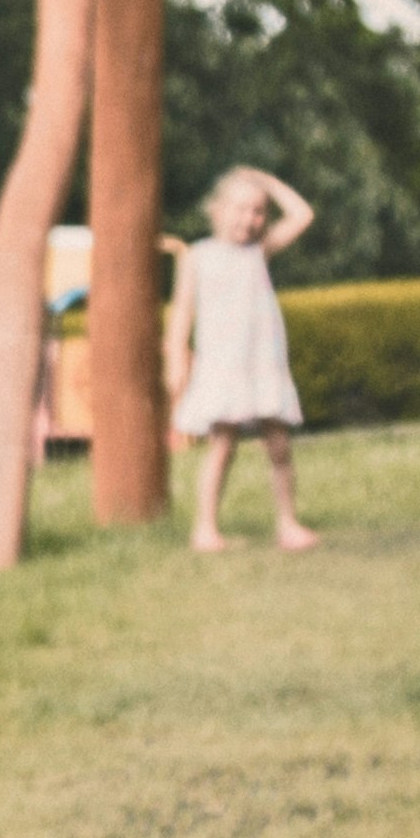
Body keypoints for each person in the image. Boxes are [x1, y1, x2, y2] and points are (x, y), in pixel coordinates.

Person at [170, 164, 323, 553]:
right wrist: (174, 357)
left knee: (279, 446)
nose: (250, 219)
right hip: (223, 368)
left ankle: (288, 523)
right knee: (222, 446)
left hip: (262, 366)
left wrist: (265, 181)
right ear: (217, 210)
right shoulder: (198, 256)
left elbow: (303, 215)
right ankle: (205, 528)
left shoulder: (260, 251)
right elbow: (182, 312)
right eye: (240, 208)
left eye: (258, 211)